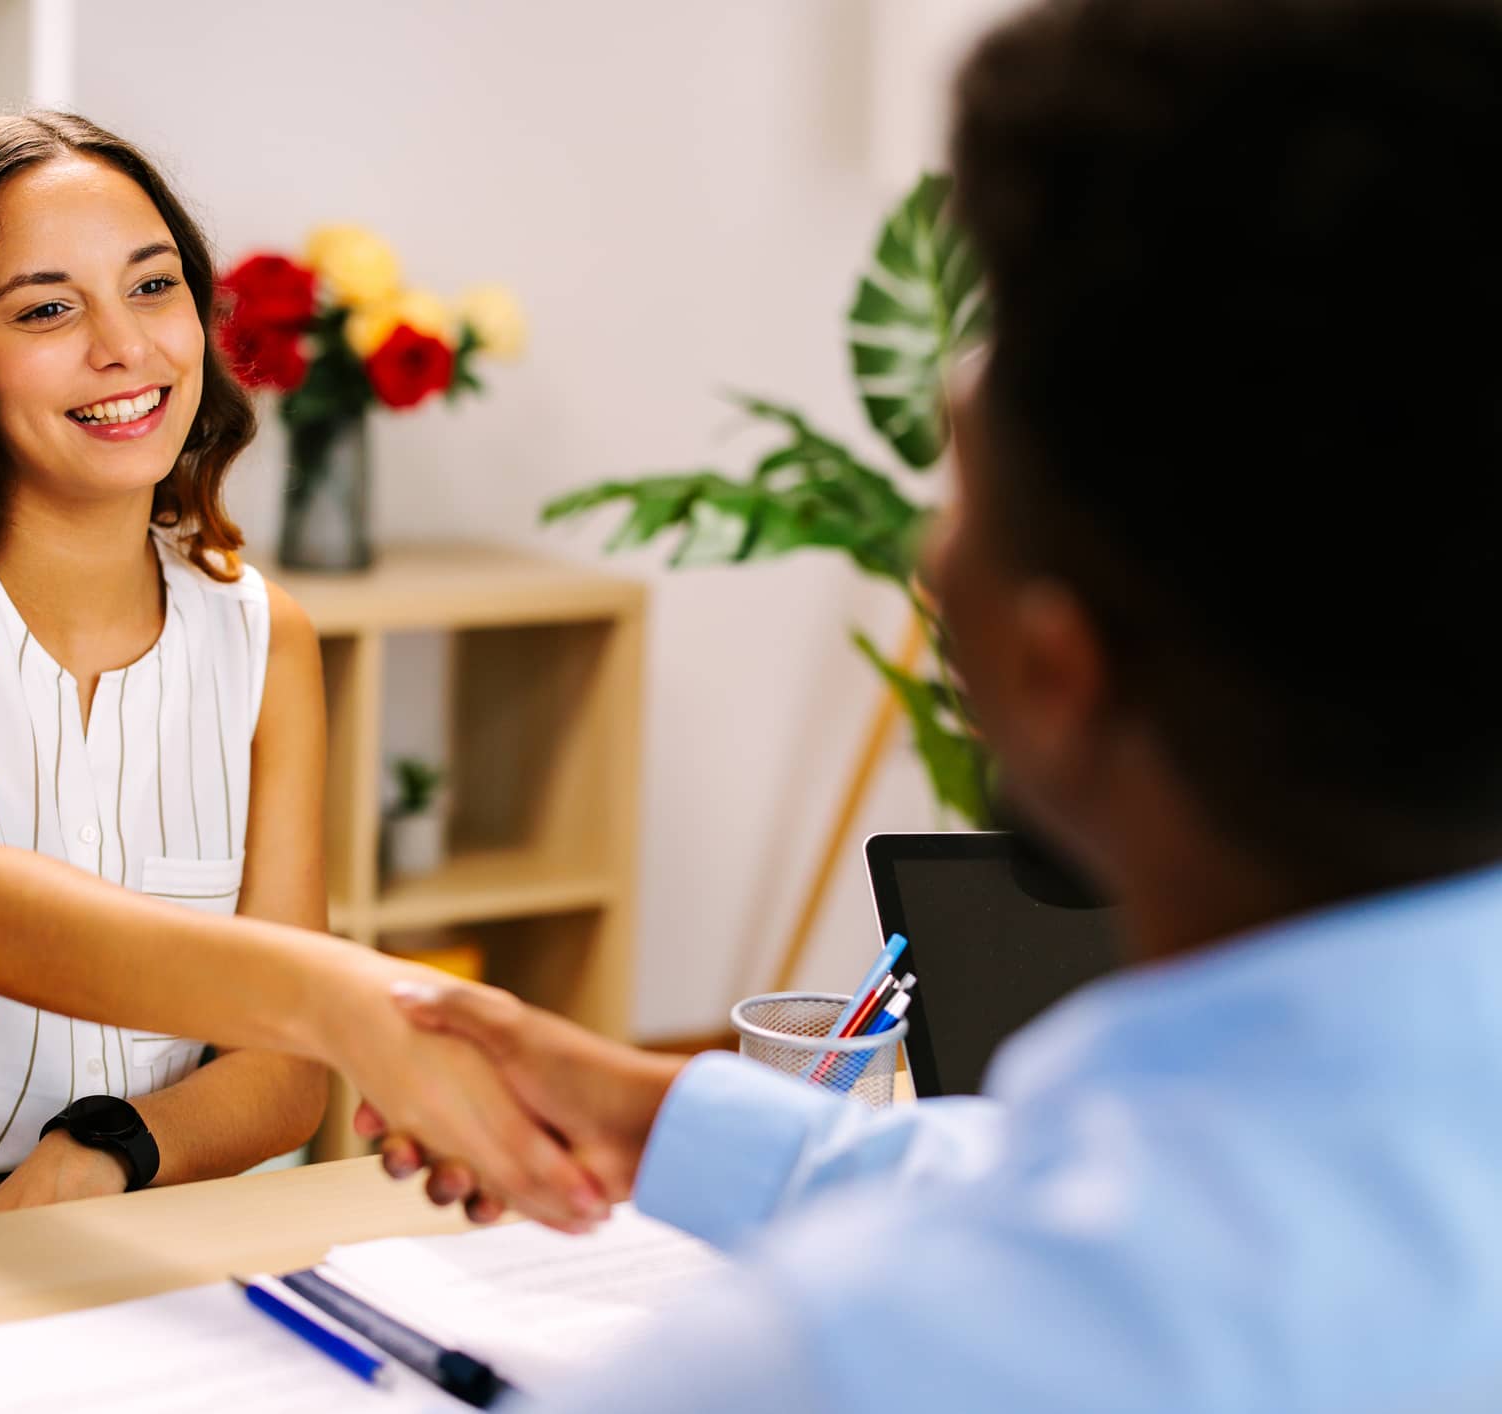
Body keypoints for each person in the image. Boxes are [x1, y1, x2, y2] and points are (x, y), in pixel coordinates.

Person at [359, 0, 1502, 1407]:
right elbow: (1079, 1164)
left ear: (1056, 667)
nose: (927, 549)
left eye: (958, 484)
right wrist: (652, 1105)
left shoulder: (836, 1361)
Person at [0, 111, 608, 1259]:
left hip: (126, 1204)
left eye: (153, 288)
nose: (125, 348)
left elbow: (280, 1075)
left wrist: (118, 1143)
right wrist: (351, 997)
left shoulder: (261, 636)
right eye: (46, 308)